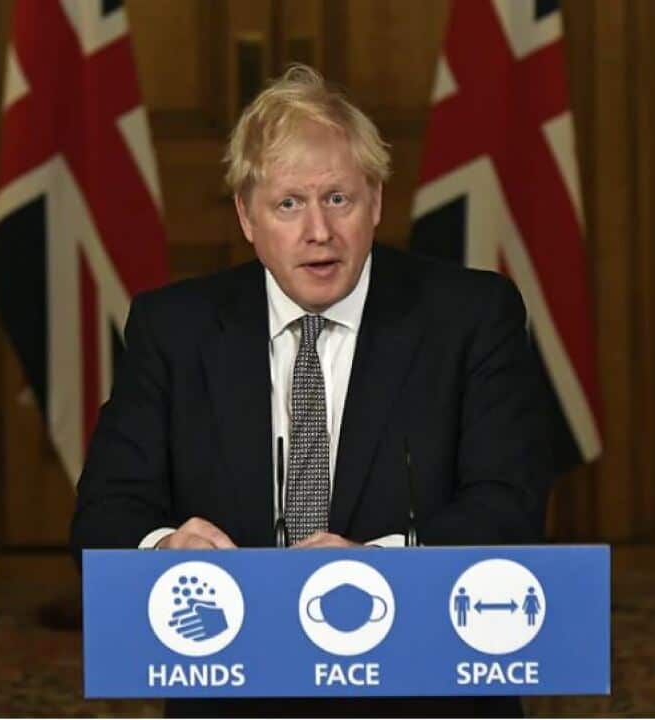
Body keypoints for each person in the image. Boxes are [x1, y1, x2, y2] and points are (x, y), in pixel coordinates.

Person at [71, 64, 558, 718]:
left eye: (339, 199)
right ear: (247, 215)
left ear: (377, 202)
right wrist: (164, 549)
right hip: (237, 683)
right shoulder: (175, 330)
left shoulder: (470, 317)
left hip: (420, 682)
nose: (318, 232)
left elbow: (510, 504)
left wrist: (378, 567)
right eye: (289, 204)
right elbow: (104, 514)